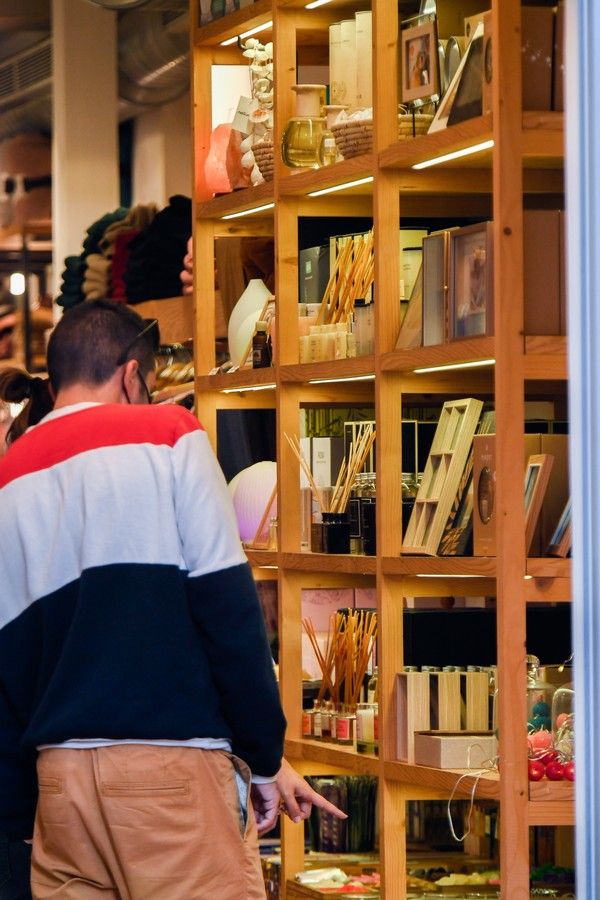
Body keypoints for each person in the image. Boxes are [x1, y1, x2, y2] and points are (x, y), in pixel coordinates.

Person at [0, 300, 343, 900]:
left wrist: (20, 812)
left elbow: (7, 661)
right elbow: (228, 611)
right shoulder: (168, 434)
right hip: (171, 775)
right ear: (133, 375)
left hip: (60, 786)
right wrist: (262, 757)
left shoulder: (12, 473)